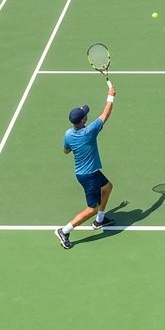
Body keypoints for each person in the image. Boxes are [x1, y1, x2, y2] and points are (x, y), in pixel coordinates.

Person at [56, 84, 118, 249]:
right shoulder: (90, 131)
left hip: (89, 172)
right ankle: (64, 230)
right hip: (88, 176)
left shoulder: (69, 134)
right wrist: (110, 95)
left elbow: (65, 151)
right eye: (85, 115)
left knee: (108, 187)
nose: (86, 116)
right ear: (83, 120)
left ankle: (100, 219)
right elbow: (106, 113)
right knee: (91, 208)